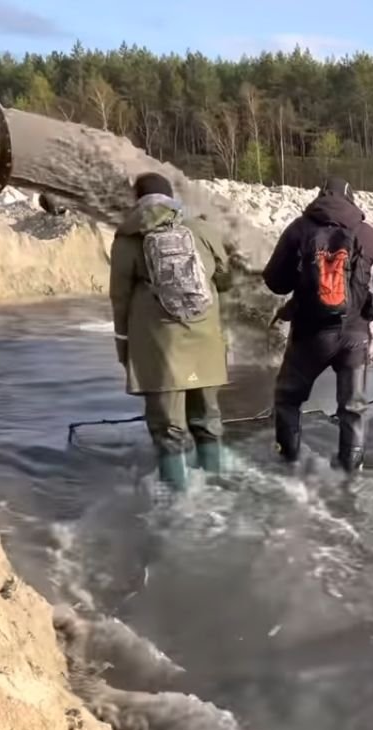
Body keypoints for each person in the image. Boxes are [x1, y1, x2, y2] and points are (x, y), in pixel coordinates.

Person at [110, 173, 232, 491]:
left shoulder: (129, 237)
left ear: (138, 199)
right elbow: (225, 276)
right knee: (207, 419)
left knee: (168, 429)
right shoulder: (202, 229)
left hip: (159, 346)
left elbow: (119, 297)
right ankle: (215, 485)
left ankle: (176, 500)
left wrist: (123, 344)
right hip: (204, 339)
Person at [264, 177, 373, 472]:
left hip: (310, 333)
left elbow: (275, 282)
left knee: (288, 397)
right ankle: (350, 472)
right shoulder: (367, 233)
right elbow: (362, 281)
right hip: (355, 333)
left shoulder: (299, 228)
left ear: (320, 197)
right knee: (353, 406)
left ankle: (288, 462)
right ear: (352, 199)